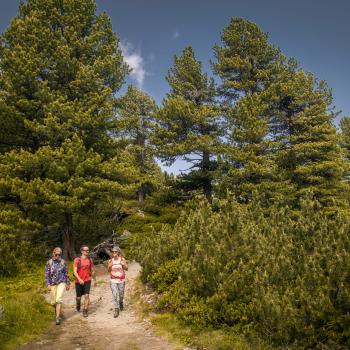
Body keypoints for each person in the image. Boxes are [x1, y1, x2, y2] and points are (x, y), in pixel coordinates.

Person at [45, 247, 70, 325]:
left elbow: (66, 273)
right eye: (56, 254)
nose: (57, 256)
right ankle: (58, 312)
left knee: (58, 299)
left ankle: (57, 318)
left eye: (59, 255)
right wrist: (48, 284)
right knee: (53, 302)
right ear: (53, 253)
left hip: (61, 282)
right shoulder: (49, 263)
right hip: (52, 283)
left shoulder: (63, 262)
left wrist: (67, 283)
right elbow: (47, 275)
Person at [73, 245, 97, 317]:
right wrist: (79, 279)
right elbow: (74, 271)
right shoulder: (77, 260)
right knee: (78, 297)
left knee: (87, 295)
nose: (87, 251)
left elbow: (93, 270)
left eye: (88, 250)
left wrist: (95, 280)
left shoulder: (90, 260)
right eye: (85, 250)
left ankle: (85, 310)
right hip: (78, 281)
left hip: (87, 280)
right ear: (81, 251)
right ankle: (78, 304)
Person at [108, 246, 128, 318]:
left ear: (118, 252)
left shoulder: (122, 259)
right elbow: (108, 271)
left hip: (121, 280)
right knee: (115, 294)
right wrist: (109, 267)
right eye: (113, 252)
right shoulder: (110, 261)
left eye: (115, 251)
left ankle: (121, 302)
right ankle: (116, 309)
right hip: (113, 280)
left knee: (121, 294)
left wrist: (123, 264)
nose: (114, 253)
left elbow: (126, 268)